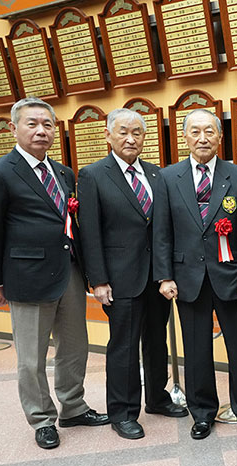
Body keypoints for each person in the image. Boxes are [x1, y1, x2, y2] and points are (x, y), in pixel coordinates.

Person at [0, 97, 108, 449]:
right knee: (31, 358)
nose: (41, 130)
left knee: (75, 347)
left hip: (70, 274)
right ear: (14, 128)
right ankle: (42, 418)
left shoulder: (63, 173)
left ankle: (74, 406)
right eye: (32, 123)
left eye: (47, 124)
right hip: (26, 277)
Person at [78, 108, 188, 440]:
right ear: (108, 136)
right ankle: (123, 412)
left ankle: (157, 397)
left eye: (137, 132)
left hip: (157, 277)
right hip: (119, 278)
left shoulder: (157, 175)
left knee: (157, 343)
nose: (131, 138)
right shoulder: (93, 175)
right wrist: (98, 280)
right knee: (123, 348)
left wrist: (167, 273)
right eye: (123, 131)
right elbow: (90, 233)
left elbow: (163, 228)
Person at [153, 108, 237, 439]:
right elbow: (162, 231)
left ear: (220, 137)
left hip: (231, 276)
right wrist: (165, 276)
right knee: (197, 349)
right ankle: (202, 412)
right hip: (188, 279)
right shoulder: (169, 177)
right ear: (185, 137)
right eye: (196, 131)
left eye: (210, 131)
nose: (203, 138)